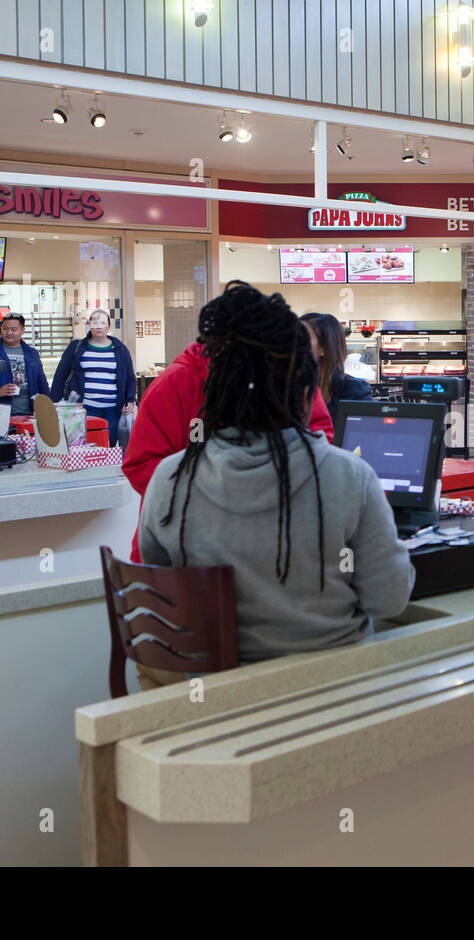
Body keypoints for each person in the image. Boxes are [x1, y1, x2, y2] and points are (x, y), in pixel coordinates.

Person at [138, 281, 414, 685]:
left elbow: (165, 592)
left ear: (215, 395)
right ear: (306, 395)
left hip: (210, 701)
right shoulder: (350, 477)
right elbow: (388, 598)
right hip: (334, 695)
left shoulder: (171, 477)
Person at [122, 342, 334, 563]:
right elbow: (141, 464)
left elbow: (319, 438)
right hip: (183, 551)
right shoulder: (175, 382)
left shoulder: (291, 374)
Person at [51, 309, 137, 445]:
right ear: (89, 325)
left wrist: (131, 400)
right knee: (83, 447)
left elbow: (130, 379)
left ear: (109, 326)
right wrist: (53, 405)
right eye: (94, 322)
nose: (98, 326)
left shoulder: (120, 349)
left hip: (112, 412)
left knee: (109, 448)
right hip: (84, 410)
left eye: (103, 322)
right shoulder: (77, 347)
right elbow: (60, 376)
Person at [0, 313, 50, 416]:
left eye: (14, 329)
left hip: (30, 414)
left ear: (23, 330)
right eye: (5, 328)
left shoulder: (32, 353)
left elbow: (41, 382)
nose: (9, 332)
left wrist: (47, 406)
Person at [302, 312, 373, 420]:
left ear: (324, 348)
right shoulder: (286, 387)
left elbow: (364, 433)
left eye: (302, 338)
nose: (293, 344)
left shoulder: (354, 391)